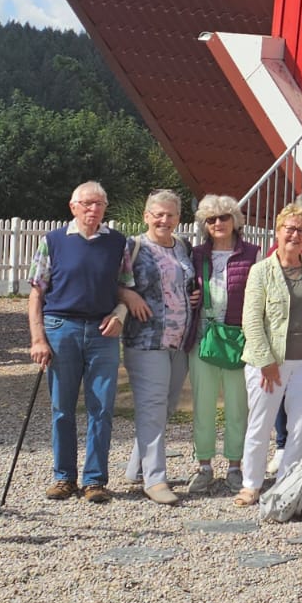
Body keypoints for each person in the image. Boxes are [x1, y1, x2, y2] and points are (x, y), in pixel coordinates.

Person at [27, 181, 149, 505]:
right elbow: (36, 292)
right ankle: (63, 477)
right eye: (87, 204)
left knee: (102, 407)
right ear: (73, 207)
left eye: (99, 204)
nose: (93, 210)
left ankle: (95, 480)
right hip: (60, 327)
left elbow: (124, 285)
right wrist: (38, 338)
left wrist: (122, 313)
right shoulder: (52, 241)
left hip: (102, 332)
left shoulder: (117, 243)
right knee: (62, 408)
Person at [237, 205, 302, 505]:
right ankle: (251, 483)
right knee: (261, 423)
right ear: (278, 232)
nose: (294, 235)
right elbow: (251, 319)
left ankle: (286, 483)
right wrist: (266, 362)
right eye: (289, 229)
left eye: (301, 230)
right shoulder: (261, 271)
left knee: (301, 425)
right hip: (269, 362)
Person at [119, 190, 194, 505]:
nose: (165, 220)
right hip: (146, 339)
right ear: (147, 216)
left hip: (180, 339)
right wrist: (127, 294)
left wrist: (193, 297)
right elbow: (110, 280)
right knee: (151, 406)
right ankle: (155, 480)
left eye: (171, 215)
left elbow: (184, 284)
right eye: (158, 214)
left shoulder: (183, 247)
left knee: (165, 406)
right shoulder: (133, 247)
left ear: (178, 218)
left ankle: (136, 467)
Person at [189, 193, 259, 494]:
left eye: (224, 217)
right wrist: (191, 296)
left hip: (237, 338)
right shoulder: (195, 255)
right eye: (211, 219)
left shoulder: (253, 254)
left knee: (237, 405)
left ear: (235, 220)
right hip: (204, 336)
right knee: (202, 404)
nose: (218, 223)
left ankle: (234, 465)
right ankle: (203, 465)